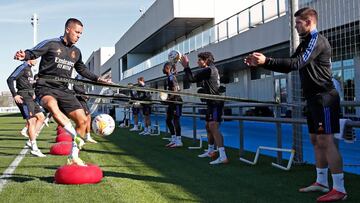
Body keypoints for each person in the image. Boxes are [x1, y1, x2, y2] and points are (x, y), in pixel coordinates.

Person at [244, 7, 346, 202]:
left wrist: (267, 60)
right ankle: (322, 182)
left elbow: (297, 63)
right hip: (312, 100)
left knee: (326, 141)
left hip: (325, 98)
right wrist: (262, 63)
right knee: (316, 141)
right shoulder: (305, 42)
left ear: (309, 22)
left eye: (299, 22)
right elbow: (290, 65)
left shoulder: (316, 40)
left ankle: (340, 189)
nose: (296, 26)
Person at [14, 18, 109, 166]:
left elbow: (82, 70)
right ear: (68, 29)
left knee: (83, 120)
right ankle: (75, 136)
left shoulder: (76, 52)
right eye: (77, 32)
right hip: (45, 87)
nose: (79, 36)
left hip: (64, 89)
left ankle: (74, 156)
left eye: (81, 34)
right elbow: (33, 53)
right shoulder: (51, 44)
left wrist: (98, 79)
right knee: (52, 105)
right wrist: (24, 55)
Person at [180, 52, 228, 165]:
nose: (197, 62)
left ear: (206, 60)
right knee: (208, 126)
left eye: (199, 60)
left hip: (216, 103)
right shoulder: (210, 70)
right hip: (210, 103)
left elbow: (191, 79)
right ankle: (211, 151)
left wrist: (186, 66)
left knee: (213, 126)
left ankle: (223, 156)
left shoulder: (209, 70)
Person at [7, 60, 46, 157]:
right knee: (31, 121)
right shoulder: (22, 67)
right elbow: (10, 79)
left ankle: (30, 140)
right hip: (23, 97)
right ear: (29, 59)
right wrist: (15, 95)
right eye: (35, 58)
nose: (36, 60)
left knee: (41, 117)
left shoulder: (29, 69)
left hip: (30, 97)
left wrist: (35, 85)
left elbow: (28, 83)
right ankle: (34, 148)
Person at [163, 62, 183, 147]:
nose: (163, 69)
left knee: (175, 121)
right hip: (171, 102)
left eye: (164, 67)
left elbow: (175, 91)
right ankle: (174, 139)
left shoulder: (171, 77)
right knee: (168, 120)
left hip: (176, 102)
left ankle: (179, 141)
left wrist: (167, 99)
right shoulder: (169, 77)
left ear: (167, 68)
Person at [73, 76, 97, 143]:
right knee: (85, 119)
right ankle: (81, 137)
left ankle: (87, 136)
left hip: (82, 101)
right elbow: (78, 91)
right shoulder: (77, 83)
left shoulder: (81, 84)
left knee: (87, 118)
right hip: (80, 102)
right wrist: (85, 95)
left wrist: (86, 96)